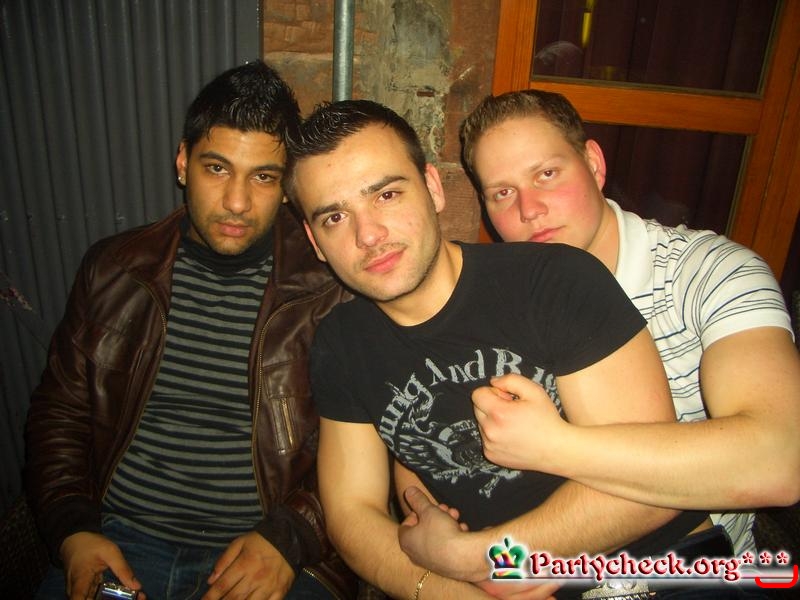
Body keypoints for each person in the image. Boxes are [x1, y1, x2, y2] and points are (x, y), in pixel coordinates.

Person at [282, 99, 729, 600]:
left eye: (387, 194)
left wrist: (487, 558)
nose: (369, 235)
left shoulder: (552, 280)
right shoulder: (342, 344)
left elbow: (653, 492)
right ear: (314, 240)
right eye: (335, 217)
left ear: (433, 188)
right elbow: (352, 514)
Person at [25, 61, 357, 600]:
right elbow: (59, 414)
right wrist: (74, 530)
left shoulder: (330, 289)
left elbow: (366, 441)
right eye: (217, 168)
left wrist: (291, 536)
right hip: (121, 538)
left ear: (287, 186)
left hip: (268, 546)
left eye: (263, 176)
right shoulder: (114, 271)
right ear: (183, 162)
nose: (236, 202)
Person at [455, 88, 800, 557]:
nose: (529, 209)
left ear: (594, 164)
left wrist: (556, 446)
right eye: (503, 193)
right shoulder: (494, 298)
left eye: (547, 174)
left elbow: (779, 462)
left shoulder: (711, 273)